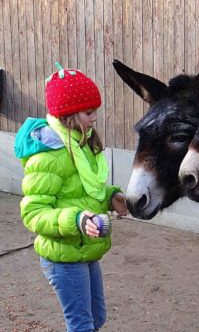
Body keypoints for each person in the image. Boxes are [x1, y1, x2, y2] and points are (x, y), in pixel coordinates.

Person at [14, 63, 128, 331]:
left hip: (84, 250)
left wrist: (110, 197)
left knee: (96, 318)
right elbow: (33, 213)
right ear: (68, 114)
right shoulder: (49, 156)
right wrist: (75, 219)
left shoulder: (81, 143)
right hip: (63, 257)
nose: (95, 117)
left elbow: (85, 192)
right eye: (89, 112)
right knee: (82, 325)